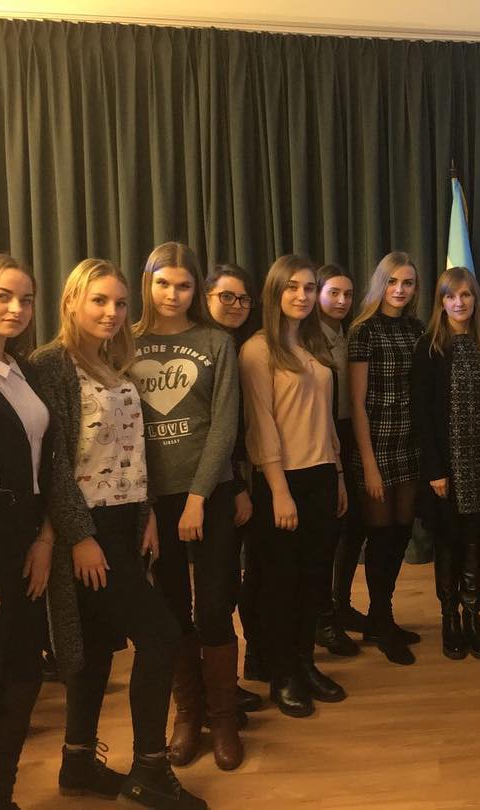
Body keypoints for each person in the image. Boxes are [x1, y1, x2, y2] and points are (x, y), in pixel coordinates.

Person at [31, 258, 205, 809]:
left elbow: (130, 449)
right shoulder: (51, 365)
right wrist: (80, 536)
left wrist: (146, 511)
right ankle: (150, 769)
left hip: (124, 521)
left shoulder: (113, 362)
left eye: (121, 303)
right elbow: (53, 464)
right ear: (71, 302)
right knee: (160, 635)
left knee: (100, 645)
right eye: (99, 300)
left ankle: (78, 760)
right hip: (87, 529)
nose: (112, 312)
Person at [132, 243, 244, 771]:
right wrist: (148, 506)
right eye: (163, 284)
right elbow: (123, 429)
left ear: (196, 288)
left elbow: (224, 424)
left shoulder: (215, 342)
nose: (173, 295)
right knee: (172, 609)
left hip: (209, 496)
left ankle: (224, 718)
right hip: (153, 503)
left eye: (183, 285)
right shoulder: (125, 342)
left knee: (215, 607)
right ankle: (188, 715)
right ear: (147, 283)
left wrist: (198, 498)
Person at [239, 255, 348, 718]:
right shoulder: (257, 350)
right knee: (280, 584)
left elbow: (325, 417)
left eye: (308, 288)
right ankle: (282, 673)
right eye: (292, 287)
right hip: (281, 480)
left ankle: (305, 663)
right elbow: (261, 425)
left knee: (313, 579)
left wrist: (338, 472)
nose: (302, 296)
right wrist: (279, 491)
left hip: (322, 474)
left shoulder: (314, 345)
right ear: (275, 292)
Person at [0, 252, 55, 809]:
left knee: (23, 674)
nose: (16, 308)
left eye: (26, 299)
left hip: (27, 536)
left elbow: (45, 463)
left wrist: (45, 538)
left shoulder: (21, 369)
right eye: (2, 296)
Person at [411, 266, 480, 660]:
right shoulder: (429, 347)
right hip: (447, 466)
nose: (459, 302)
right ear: (440, 302)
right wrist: (435, 470)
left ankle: (473, 617)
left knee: (474, 544)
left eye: (465, 295)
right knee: (448, 542)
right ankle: (450, 618)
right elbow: (422, 414)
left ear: (475, 298)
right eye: (450, 296)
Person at [347, 252, 424, 665]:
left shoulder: (417, 328)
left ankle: (383, 616)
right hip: (375, 448)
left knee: (400, 534)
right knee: (379, 537)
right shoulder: (364, 331)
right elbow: (357, 405)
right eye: (392, 281)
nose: (400, 289)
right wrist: (369, 465)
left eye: (407, 283)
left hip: (409, 446)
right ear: (381, 283)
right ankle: (380, 619)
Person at [203, 264, 263, 716]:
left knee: (249, 577)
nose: (237, 305)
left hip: (249, 473)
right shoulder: (203, 348)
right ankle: (215, 692)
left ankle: (251, 665)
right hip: (218, 482)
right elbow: (215, 429)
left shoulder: (248, 345)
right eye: (227, 296)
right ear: (206, 297)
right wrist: (237, 484)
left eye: (243, 298)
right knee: (217, 586)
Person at [313, 263, 362, 657]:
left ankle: (341, 604)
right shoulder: (309, 339)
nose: (342, 301)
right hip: (319, 436)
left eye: (347, 294)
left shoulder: (349, 333)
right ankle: (322, 617)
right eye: (334, 293)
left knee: (353, 527)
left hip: (350, 431)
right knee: (327, 531)